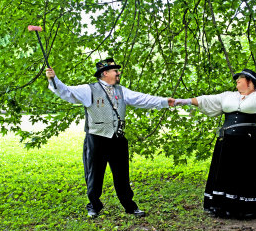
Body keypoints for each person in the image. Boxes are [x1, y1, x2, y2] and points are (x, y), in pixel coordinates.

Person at [46, 58, 175, 218]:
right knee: (94, 174)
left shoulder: (122, 91)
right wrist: (53, 79)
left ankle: (130, 206)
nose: (118, 73)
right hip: (97, 138)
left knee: (122, 175)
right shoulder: (89, 90)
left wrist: (163, 101)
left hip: (118, 139)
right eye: (115, 71)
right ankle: (93, 205)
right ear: (105, 73)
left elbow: (142, 99)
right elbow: (66, 91)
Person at [175, 56, 256, 219]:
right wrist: (182, 101)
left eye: (240, 79)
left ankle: (243, 209)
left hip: (249, 143)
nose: (237, 82)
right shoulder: (228, 96)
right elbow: (206, 100)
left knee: (244, 175)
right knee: (225, 174)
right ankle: (221, 207)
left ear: (250, 82)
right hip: (227, 142)